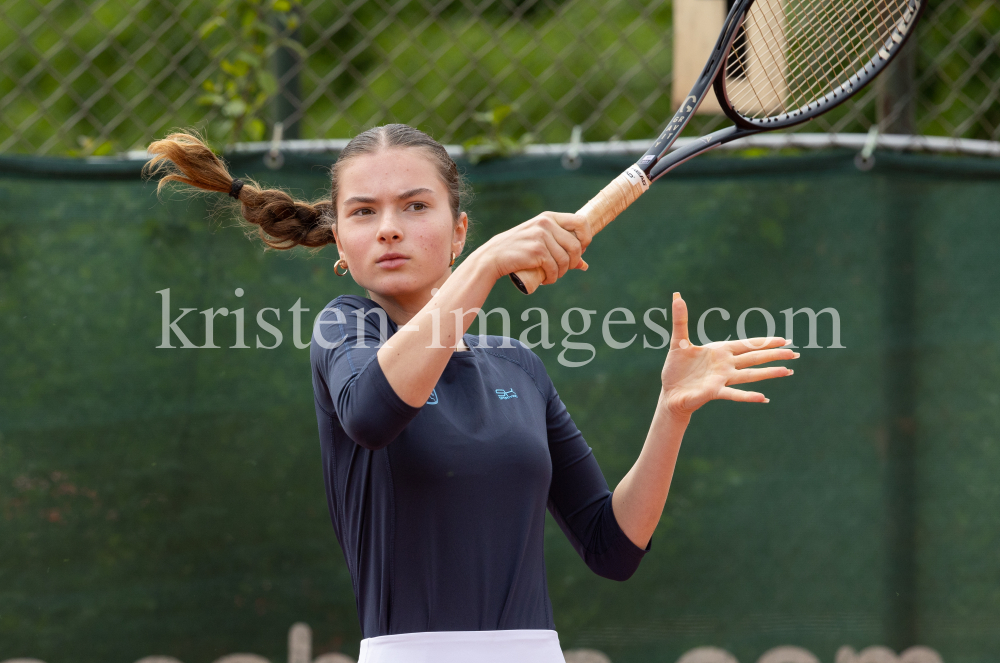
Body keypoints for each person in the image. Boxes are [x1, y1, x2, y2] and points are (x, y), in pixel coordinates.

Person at [144, 124, 797, 663]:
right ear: (340, 242)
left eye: (415, 205)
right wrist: (486, 264)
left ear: (457, 230)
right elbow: (374, 412)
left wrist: (671, 412)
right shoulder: (344, 330)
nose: (389, 228)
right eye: (364, 212)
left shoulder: (518, 366)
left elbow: (612, 546)